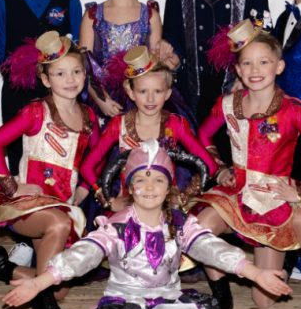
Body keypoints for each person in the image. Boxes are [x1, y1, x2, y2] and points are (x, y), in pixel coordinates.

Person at [2, 140, 292, 309]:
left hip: (166, 300)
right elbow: (83, 255)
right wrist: (38, 283)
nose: (150, 187)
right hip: (124, 302)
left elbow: (211, 248)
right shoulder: (117, 225)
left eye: (158, 180)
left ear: (168, 188)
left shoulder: (179, 223)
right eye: (141, 180)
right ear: (130, 187)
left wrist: (256, 273)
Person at [190, 20, 301, 309]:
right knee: (200, 227)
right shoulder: (227, 104)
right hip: (235, 193)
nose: (255, 69)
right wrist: (218, 168)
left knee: (263, 301)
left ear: (279, 66)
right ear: (238, 70)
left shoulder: (293, 110)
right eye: (247, 63)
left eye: (264, 62)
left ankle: (286, 262)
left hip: (272, 203)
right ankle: (220, 292)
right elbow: (203, 135)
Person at [0, 32, 99, 309]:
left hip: (61, 206)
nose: (70, 79)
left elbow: (97, 155)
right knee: (58, 225)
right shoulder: (36, 112)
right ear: (45, 79)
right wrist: (10, 185)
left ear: (85, 74)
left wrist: (85, 185)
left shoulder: (89, 117)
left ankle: (1, 266)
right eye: (60, 73)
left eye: (76, 71)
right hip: (28, 207)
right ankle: (41, 295)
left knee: (60, 291)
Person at [0, 0, 83, 172]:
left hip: (61, 99)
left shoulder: (70, 0)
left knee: (61, 166)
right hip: (18, 99)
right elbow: (1, 54)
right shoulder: (4, 1)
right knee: (20, 168)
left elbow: (77, 53)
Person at [79, 46, 218, 211]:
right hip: (129, 210)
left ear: (167, 94)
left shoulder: (175, 124)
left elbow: (210, 166)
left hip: (165, 211)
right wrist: (107, 201)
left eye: (157, 91)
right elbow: (86, 168)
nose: (150, 99)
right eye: (143, 91)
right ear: (131, 92)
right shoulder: (119, 125)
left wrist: (185, 196)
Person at [80, 0, 179, 119]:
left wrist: (168, 61)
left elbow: (155, 64)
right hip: (103, 98)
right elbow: (83, 66)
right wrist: (101, 100)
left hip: (142, 98)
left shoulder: (150, 15)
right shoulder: (92, 16)